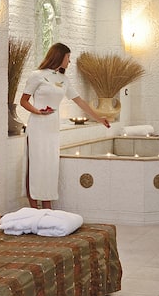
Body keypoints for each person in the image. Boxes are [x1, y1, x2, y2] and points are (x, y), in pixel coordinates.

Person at [18, 43, 110, 209]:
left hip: (52, 127)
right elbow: (23, 101)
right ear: (59, 56)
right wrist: (37, 111)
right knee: (35, 163)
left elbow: (79, 101)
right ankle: (33, 206)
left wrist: (98, 118)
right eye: (68, 57)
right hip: (38, 125)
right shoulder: (37, 75)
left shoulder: (64, 80)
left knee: (50, 165)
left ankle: (47, 204)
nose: (69, 61)